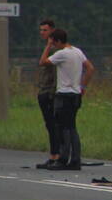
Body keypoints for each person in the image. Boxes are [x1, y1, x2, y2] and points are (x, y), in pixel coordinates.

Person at [39, 28, 94, 171]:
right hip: (76, 94)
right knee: (72, 127)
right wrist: (83, 87)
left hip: (63, 95)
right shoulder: (77, 51)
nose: (53, 45)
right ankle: (75, 159)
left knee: (63, 128)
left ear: (57, 41)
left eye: (53, 42)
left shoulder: (61, 53)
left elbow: (42, 62)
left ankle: (63, 159)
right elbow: (90, 68)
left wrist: (47, 46)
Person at [35, 19, 60, 169]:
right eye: (41, 30)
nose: (42, 33)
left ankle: (55, 155)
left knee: (53, 125)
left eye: (45, 30)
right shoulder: (49, 48)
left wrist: (52, 92)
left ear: (52, 31)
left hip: (50, 91)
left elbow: (44, 64)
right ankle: (54, 155)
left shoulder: (54, 50)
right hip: (44, 89)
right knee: (49, 125)